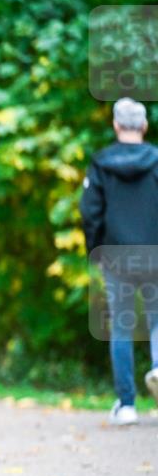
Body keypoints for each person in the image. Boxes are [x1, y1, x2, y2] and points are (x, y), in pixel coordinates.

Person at [79, 97, 158, 426]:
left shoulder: (101, 163)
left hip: (116, 257)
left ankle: (126, 406)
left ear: (115, 125)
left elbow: (90, 212)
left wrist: (95, 250)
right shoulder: (157, 160)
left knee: (122, 327)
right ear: (144, 126)